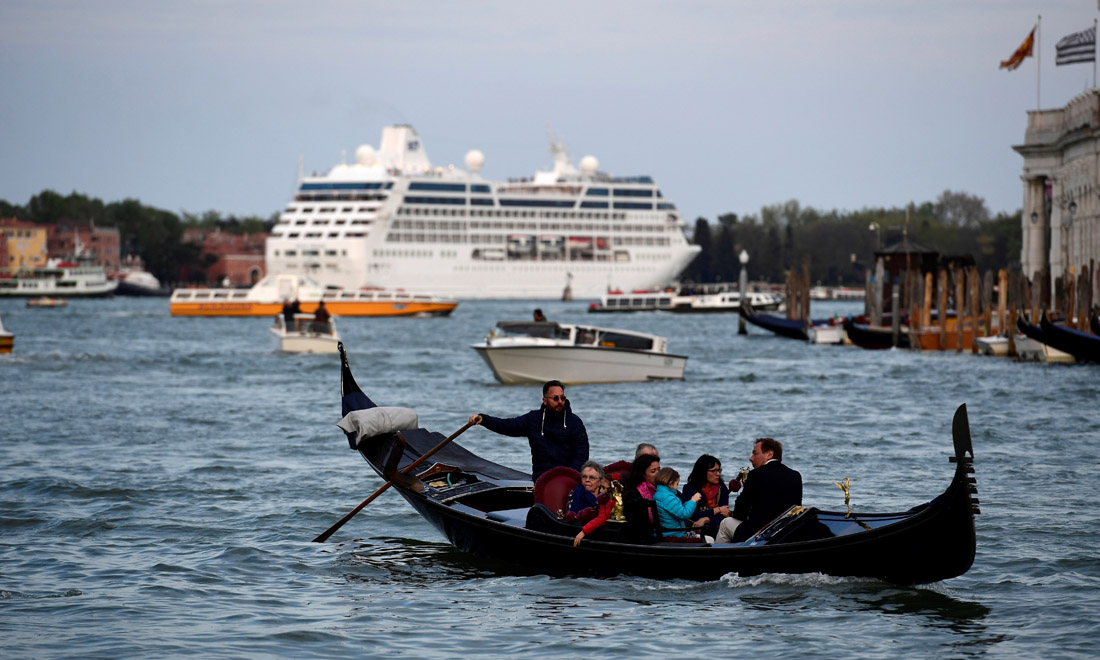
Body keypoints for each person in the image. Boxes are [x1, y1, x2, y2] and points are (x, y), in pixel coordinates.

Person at [468, 380, 589, 483]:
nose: (560, 402)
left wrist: (567, 476)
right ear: (545, 400)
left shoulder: (575, 422)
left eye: (562, 398)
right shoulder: (533, 419)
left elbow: (582, 453)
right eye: (555, 398)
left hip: (568, 479)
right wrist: (484, 419)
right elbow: (507, 426)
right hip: (542, 480)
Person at [715, 438, 802, 544]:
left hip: (760, 534)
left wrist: (730, 513)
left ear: (769, 454)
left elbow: (740, 511)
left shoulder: (756, 474)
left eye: (755, 454)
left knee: (725, 523)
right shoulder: (796, 476)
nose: (751, 458)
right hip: (786, 534)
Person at [682, 454, 731, 538]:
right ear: (703, 471)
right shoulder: (689, 489)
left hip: (713, 526)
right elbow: (691, 514)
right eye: (714, 471)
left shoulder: (722, 488)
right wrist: (717, 510)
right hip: (693, 527)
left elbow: (724, 514)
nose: (718, 474)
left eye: (719, 470)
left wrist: (705, 519)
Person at [653, 467, 703, 538]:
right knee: (709, 539)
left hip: (667, 533)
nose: (677, 488)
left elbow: (678, 510)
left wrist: (690, 502)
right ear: (670, 484)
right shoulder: (668, 498)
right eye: (677, 484)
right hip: (674, 535)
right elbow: (684, 514)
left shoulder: (659, 494)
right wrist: (693, 501)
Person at [572, 472, 614, 547]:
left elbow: (602, 518)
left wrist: (583, 532)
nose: (600, 491)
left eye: (604, 488)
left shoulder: (608, 501)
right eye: (600, 487)